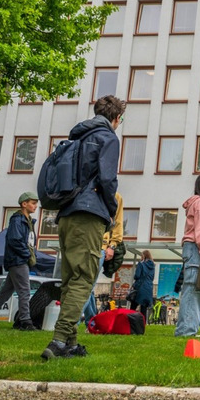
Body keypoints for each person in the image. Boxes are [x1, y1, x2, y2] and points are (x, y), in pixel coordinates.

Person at [41, 94, 123, 361]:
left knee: (70, 280)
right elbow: (107, 178)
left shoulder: (78, 136)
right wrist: (110, 208)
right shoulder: (108, 137)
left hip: (66, 214)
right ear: (116, 118)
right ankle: (58, 340)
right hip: (89, 213)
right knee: (83, 279)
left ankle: (71, 345)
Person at [0, 191, 39, 331]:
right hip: (18, 260)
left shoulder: (26, 221)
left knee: (5, 293)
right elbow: (15, 240)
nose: (35, 206)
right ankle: (25, 322)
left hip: (17, 260)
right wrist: (28, 255)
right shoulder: (18, 220)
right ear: (24, 204)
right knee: (24, 291)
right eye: (33, 203)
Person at [174, 174, 200, 337]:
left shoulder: (198, 203)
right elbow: (199, 232)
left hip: (192, 248)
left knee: (193, 289)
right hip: (196, 250)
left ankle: (188, 328)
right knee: (192, 289)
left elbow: (198, 227)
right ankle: (186, 330)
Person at [81, 191, 124, 324]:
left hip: (100, 246)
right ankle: (92, 321)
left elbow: (117, 222)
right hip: (84, 243)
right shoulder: (85, 191)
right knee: (87, 285)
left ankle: (73, 322)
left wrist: (112, 245)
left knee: (86, 284)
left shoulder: (115, 196)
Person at [129, 250, 155, 324]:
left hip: (140, 288)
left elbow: (137, 276)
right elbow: (152, 278)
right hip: (149, 288)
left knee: (133, 306)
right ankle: (142, 325)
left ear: (143, 256)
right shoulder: (153, 265)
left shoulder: (141, 264)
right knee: (144, 308)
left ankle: (131, 323)